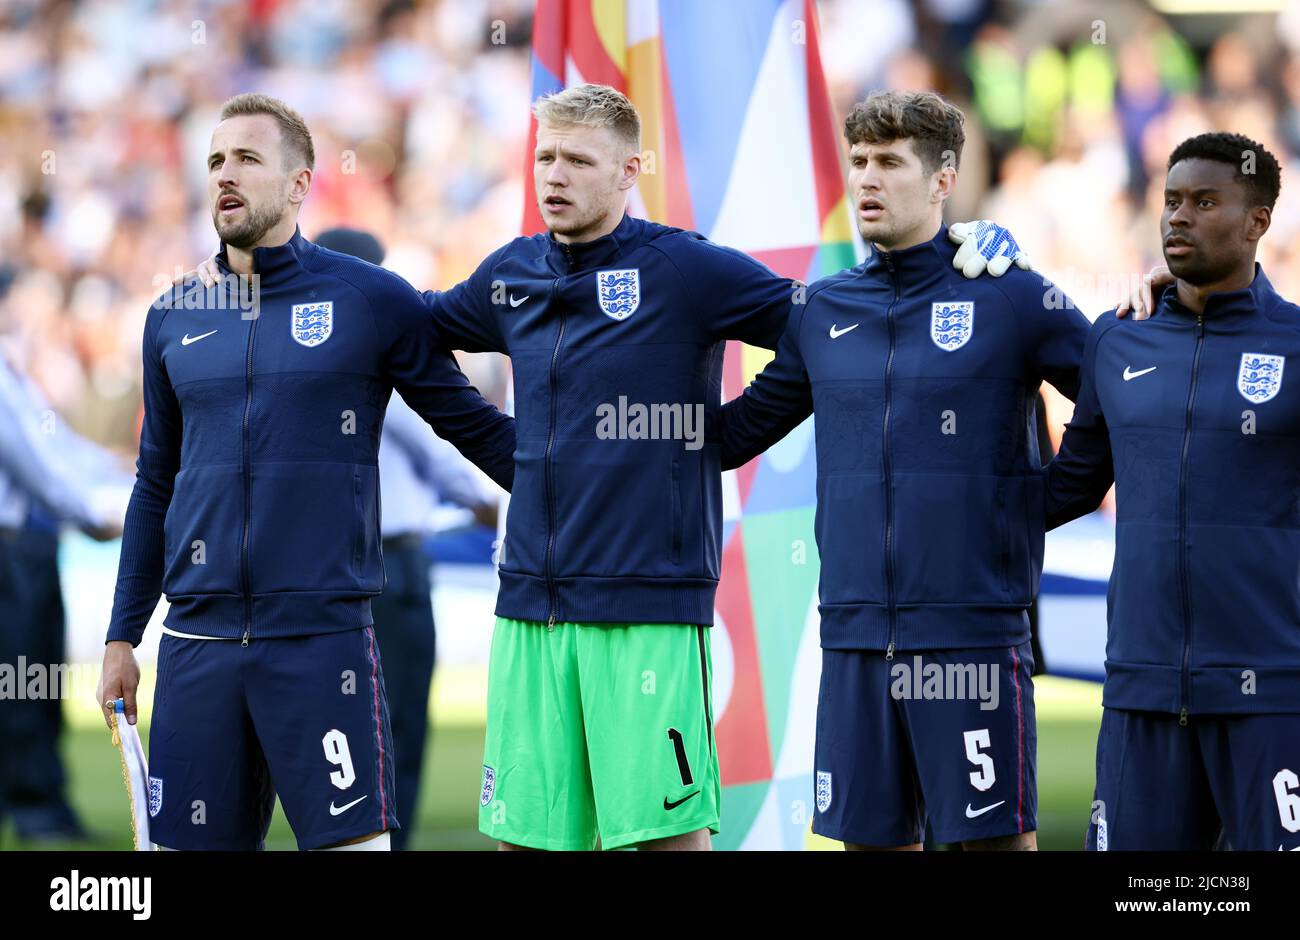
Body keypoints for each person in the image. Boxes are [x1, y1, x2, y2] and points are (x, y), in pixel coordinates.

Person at [194, 84, 1023, 852]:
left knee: (663, 840)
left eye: (579, 161)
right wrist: (503, 448)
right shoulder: (512, 272)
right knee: (527, 840)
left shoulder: (686, 269)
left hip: (647, 605)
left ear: (629, 171)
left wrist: (724, 435)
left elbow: (830, 328)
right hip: (529, 606)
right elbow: (412, 333)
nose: (555, 175)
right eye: (546, 157)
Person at [96, 93, 516, 852]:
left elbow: (475, 429)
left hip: (323, 645)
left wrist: (588, 483)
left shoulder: (369, 300)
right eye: (216, 160)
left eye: (248, 159)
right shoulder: (172, 314)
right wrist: (122, 635)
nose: (225, 174)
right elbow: (155, 484)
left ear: (299, 184)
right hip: (196, 647)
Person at [717, 90, 1092, 851]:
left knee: (991, 843)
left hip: (972, 634)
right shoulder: (823, 310)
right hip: (853, 633)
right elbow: (733, 435)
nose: (867, 179)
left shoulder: (1011, 295)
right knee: (871, 844)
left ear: (944, 178)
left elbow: (1119, 400)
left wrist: (1037, 503)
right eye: (858, 162)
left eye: (890, 162)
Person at [1045, 132, 1300, 851]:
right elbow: (1065, 487)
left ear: (1258, 222)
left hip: (1273, 689)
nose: (1179, 217)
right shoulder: (1119, 338)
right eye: (1172, 201)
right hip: (1142, 687)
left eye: (1205, 201)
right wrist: (949, 497)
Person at [313, 226, 500, 851]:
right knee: (398, 717)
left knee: (347, 712)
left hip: (334, 560)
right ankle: (391, 835)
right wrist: (488, 502)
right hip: (392, 562)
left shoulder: (316, 351)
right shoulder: (375, 349)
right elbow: (441, 441)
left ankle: (357, 829)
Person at [0, 354, 124, 843]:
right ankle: (38, 811)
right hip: (12, 546)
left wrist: (111, 468)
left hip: (22, 541)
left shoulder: (13, 370)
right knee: (26, 685)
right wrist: (89, 513)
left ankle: (38, 805)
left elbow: (52, 448)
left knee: (30, 682)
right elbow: (35, 461)